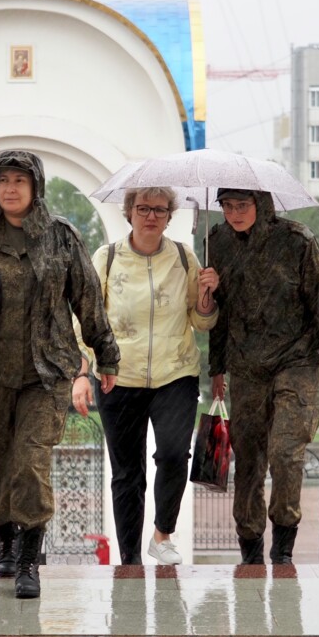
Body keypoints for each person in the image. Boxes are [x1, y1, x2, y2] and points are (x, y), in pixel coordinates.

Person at [0, 149, 120, 599]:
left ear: (36, 187)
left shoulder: (61, 237)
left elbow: (88, 299)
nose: (10, 189)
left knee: (31, 461)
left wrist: (107, 356)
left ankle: (30, 559)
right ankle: (6, 544)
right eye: (3, 180)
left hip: (46, 373)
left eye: (19, 180)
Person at [72, 186, 220, 565]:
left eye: (159, 209)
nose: (151, 216)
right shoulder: (107, 258)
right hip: (117, 376)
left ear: (169, 216)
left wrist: (207, 299)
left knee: (173, 454)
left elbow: (201, 322)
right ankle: (129, 560)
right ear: (130, 213)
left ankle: (162, 535)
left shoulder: (184, 258)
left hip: (176, 373)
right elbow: (85, 320)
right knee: (127, 473)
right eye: (143, 208)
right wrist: (87, 369)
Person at [207, 188, 319, 565]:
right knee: (248, 461)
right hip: (245, 366)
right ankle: (250, 548)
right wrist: (216, 367)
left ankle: (283, 547)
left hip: (296, 361)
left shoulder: (296, 241)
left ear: (261, 204)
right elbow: (219, 315)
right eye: (227, 206)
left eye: (242, 205)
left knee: (286, 452)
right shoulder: (217, 243)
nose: (235, 213)